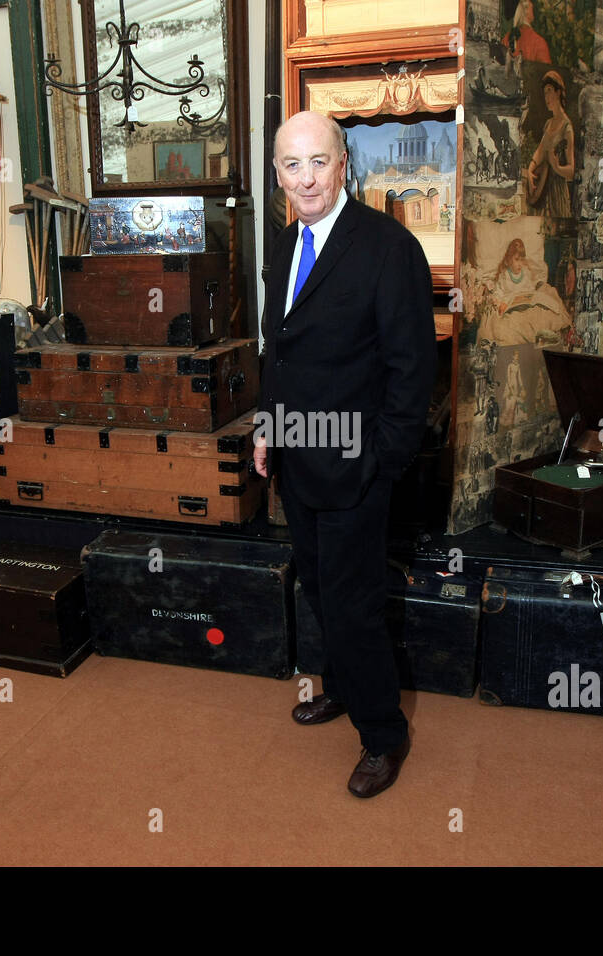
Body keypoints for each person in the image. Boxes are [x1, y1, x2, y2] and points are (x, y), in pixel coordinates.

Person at [254, 111, 436, 799]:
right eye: (291, 165)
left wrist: (381, 464)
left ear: (344, 165)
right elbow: (282, 349)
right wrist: (270, 426)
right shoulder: (284, 244)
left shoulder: (389, 249)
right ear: (278, 174)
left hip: (356, 467)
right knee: (318, 587)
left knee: (356, 605)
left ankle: (383, 734)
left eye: (318, 162)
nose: (305, 178)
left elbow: (412, 372)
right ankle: (341, 688)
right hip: (298, 459)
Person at [526, 71, 574, 219]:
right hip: (543, 188)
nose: (546, 97)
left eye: (549, 91)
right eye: (544, 93)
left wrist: (557, 167)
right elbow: (540, 150)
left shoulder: (567, 128)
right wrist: (530, 169)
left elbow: (571, 170)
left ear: (558, 92)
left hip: (557, 194)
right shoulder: (548, 124)